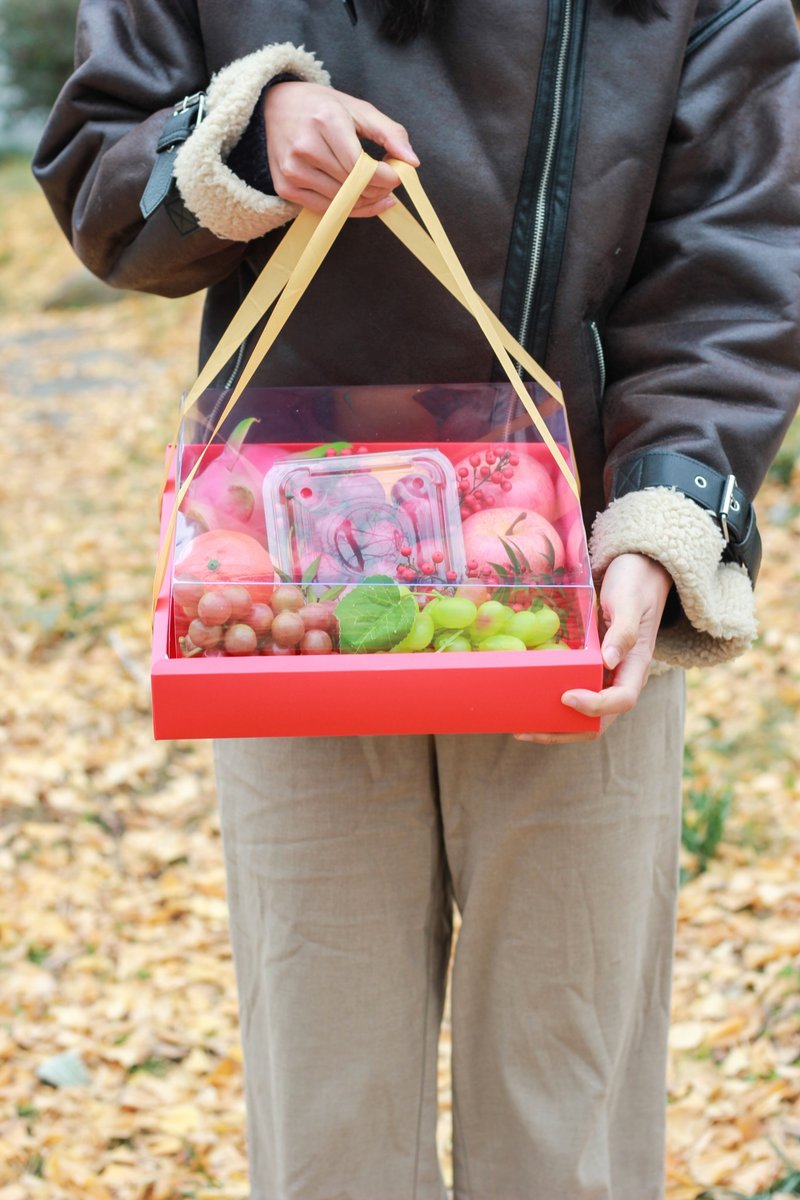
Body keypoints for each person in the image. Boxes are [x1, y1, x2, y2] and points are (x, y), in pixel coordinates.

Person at [33, 1, 800, 1196]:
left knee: (567, 1114)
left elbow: (736, 253)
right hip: (285, 596)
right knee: (332, 1111)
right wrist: (246, 133)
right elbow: (97, 174)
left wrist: (660, 524)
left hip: (569, 584)